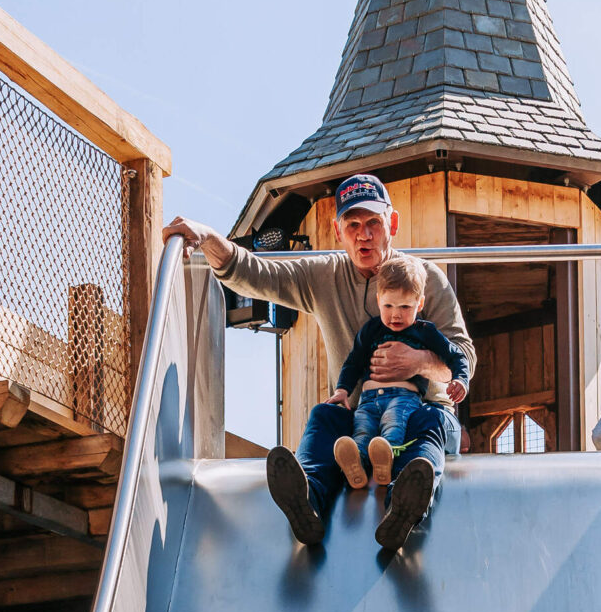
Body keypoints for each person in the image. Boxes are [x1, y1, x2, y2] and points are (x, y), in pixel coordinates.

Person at [161, 172, 473, 554]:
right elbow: (257, 274)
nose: (364, 234)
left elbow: (462, 354)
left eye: (373, 223)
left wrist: (420, 361)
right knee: (324, 419)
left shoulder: (423, 280)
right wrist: (207, 236)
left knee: (431, 425)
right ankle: (307, 502)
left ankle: (405, 507)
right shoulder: (324, 275)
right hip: (361, 414)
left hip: (420, 412)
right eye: (353, 224)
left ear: (391, 223)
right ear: (337, 230)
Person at [330, 254, 470, 544]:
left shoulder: (424, 332)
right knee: (362, 430)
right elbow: (354, 362)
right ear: (378, 299)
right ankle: (356, 466)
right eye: (388, 306)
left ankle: (388, 461)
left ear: (419, 305)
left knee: (394, 426)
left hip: (403, 397)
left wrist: (460, 379)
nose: (395, 314)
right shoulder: (371, 330)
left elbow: (455, 353)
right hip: (368, 398)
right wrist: (343, 389)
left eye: (405, 307)